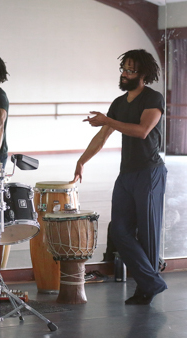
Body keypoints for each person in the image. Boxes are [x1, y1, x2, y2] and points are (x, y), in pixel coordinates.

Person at [72, 49, 168, 305]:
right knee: (120, 231)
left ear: (143, 74)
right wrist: (82, 160)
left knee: (148, 234)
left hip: (150, 173)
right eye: (123, 69)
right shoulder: (118, 103)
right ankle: (152, 282)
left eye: (130, 70)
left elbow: (142, 131)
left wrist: (109, 121)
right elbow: (102, 137)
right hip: (126, 175)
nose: (124, 74)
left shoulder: (153, 98)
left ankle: (145, 289)